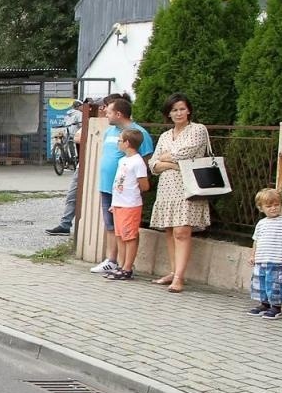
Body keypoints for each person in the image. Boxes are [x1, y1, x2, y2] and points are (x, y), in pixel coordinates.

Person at [146, 93, 211, 292]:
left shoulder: (198, 129)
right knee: (169, 229)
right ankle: (173, 271)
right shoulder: (166, 135)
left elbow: (187, 153)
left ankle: (180, 277)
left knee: (182, 231)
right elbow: (153, 164)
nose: (179, 113)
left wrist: (166, 160)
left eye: (182, 109)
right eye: (174, 110)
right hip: (167, 188)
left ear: (189, 110)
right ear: (169, 113)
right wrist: (172, 165)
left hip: (188, 187)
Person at [90, 96, 152, 277]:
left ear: (118, 114)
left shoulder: (137, 133)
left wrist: (137, 187)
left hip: (127, 193)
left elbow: (146, 160)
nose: (105, 114)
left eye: (108, 111)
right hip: (109, 186)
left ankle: (126, 265)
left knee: (127, 230)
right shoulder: (111, 132)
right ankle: (112, 260)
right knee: (112, 226)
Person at [247, 187, 282, 318]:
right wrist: (253, 255)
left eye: (276, 205)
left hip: (277, 261)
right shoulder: (261, 223)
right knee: (260, 283)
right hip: (261, 260)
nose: (273, 208)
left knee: (275, 284)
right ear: (261, 208)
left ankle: (276, 308)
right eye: (269, 206)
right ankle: (264, 304)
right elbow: (256, 240)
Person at [105, 128, 149, 282]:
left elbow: (144, 185)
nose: (118, 143)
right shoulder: (123, 160)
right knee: (120, 236)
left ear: (127, 143)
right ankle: (121, 265)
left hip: (130, 204)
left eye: (119, 140)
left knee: (129, 237)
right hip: (119, 203)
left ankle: (127, 267)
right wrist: (114, 202)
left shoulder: (137, 162)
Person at [46, 98, 94, 236]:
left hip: (90, 162)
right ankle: (65, 224)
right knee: (72, 195)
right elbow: (79, 137)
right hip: (78, 153)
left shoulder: (76, 115)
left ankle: (74, 225)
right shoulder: (80, 116)